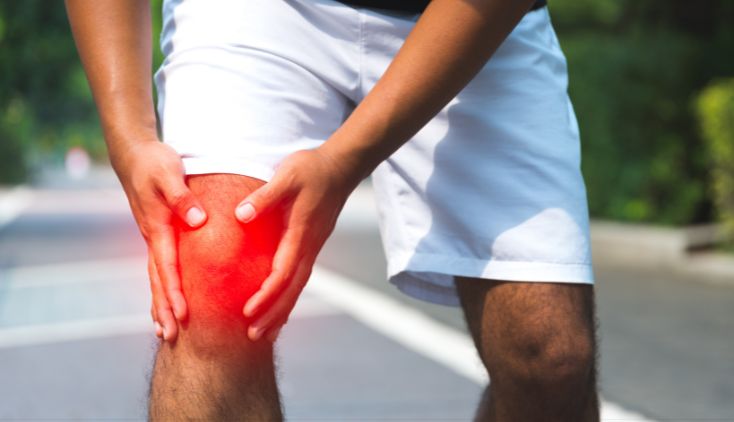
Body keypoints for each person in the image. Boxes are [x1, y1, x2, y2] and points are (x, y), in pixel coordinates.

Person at [66, 0, 599, 420]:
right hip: (260, 13)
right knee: (216, 278)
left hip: (475, 23)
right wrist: (128, 136)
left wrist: (346, 160)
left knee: (548, 356)